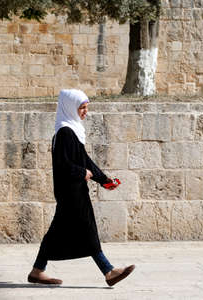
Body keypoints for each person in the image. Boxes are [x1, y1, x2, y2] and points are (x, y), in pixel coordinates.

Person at [27, 89, 135, 287]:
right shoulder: (65, 132)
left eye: (86, 108)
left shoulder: (72, 130)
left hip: (73, 189)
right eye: (82, 108)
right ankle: (109, 271)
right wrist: (81, 173)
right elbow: (62, 164)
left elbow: (85, 160)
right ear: (70, 108)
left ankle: (37, 271)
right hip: (71, 191)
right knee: (87, 227)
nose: (85, 112)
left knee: (56, 231)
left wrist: (105, 180)